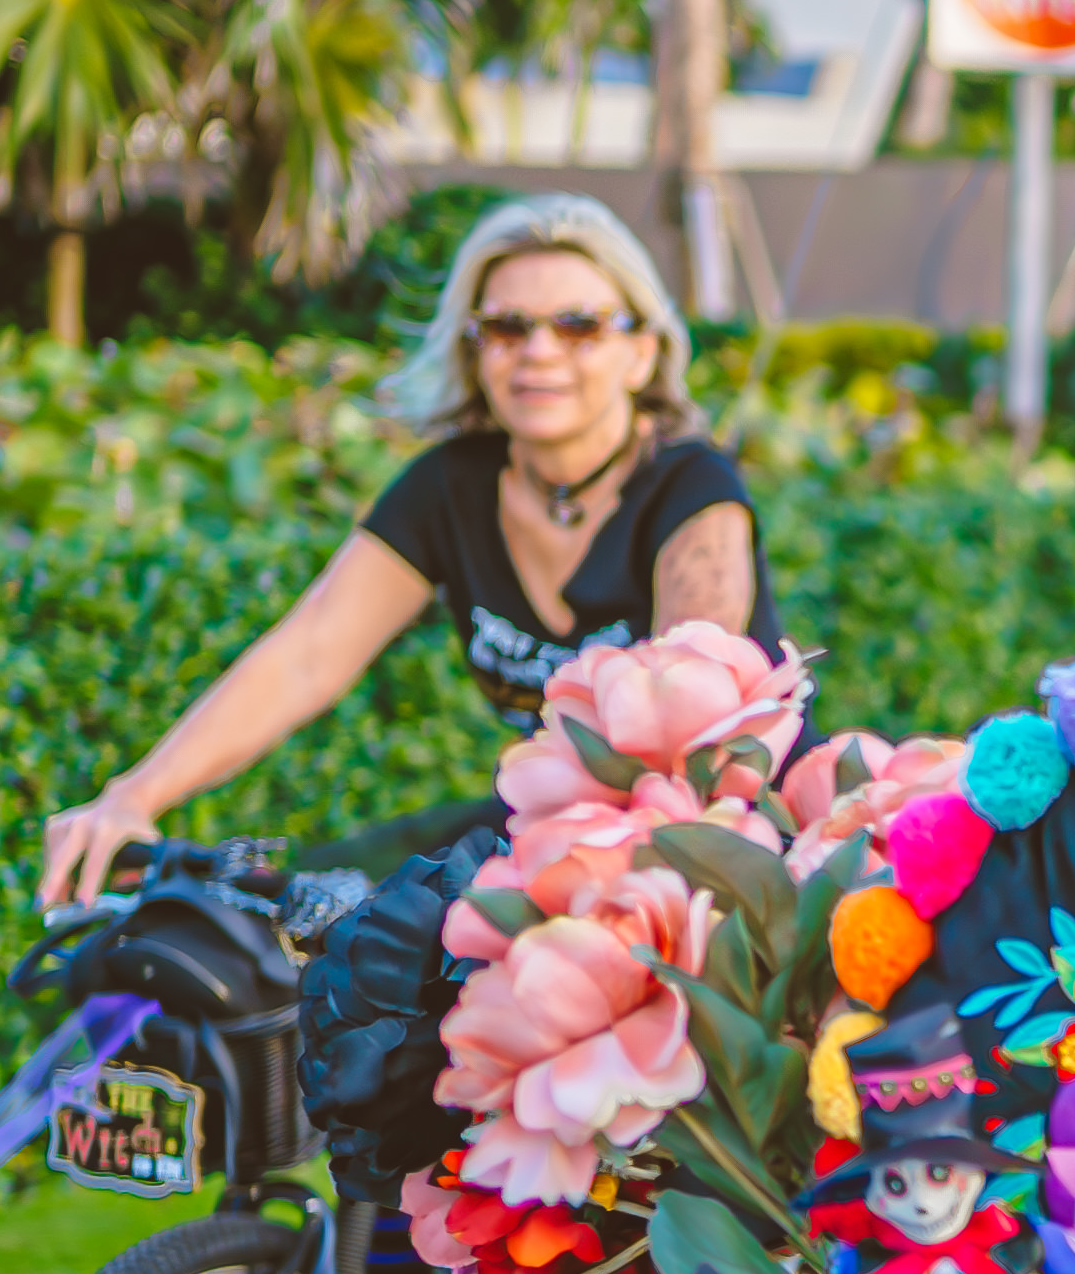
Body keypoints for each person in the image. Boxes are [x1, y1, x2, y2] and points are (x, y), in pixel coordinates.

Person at [37, 192, 774, 907]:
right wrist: (133, 796)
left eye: (579, 325)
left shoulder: (692, 485)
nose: (539, 352)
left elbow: (691, 695)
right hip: (554, 837)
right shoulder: (448, 487)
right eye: (507, 327)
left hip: (727, 838)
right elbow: (310, 651)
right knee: (285, 915)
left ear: (641, 354)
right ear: (475, 348)